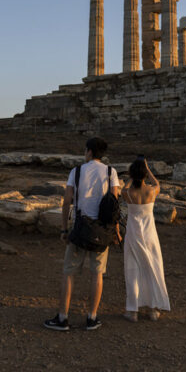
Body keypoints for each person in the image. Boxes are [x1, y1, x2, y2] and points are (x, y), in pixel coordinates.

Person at [44, 137, 120, 332]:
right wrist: (116, 232)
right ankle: (92, 317)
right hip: (102, 231)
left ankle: (62, 317)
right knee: (97, 274)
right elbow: (114, 206)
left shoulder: (76, 171)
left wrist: (63, 229)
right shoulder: (111, 173)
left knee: (69, 273)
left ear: (89, 152)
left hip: (80, 229)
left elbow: (67, 200)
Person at [121, 158, 171, 322]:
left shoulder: (127, 193)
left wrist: (132, 177)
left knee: (132, 272)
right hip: (150, 236)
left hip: (133, 235)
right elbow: (157, 183)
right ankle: (152, 309)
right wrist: (148, 169)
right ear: (144, 175)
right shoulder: (151, 191)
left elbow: (124, 188)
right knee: (152, 269)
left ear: (132, 174)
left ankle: (132, 311)